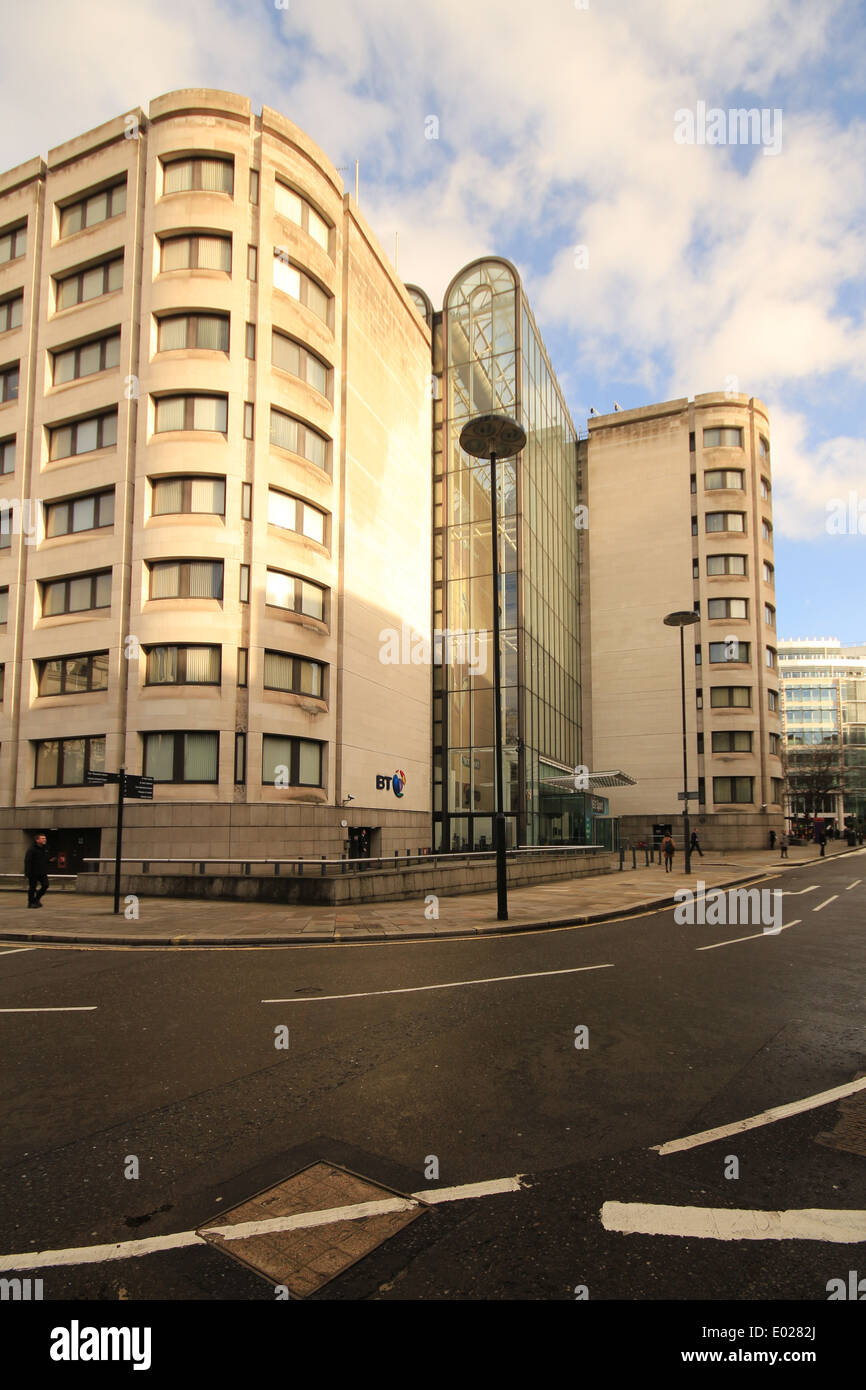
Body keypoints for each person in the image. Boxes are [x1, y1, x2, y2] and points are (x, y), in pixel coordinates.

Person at [24, 833, 50, 908]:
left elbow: (45, 859)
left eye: (45, 838)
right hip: (33, 872)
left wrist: (50, 860)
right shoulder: (32, 849)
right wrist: (27, 872)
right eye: (42, 838)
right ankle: (31, 902)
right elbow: (27, 861)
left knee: (45, 885)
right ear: (37, 840)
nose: (44, 840)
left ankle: (36, 899)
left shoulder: (45, 848)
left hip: (42, 871)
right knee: (32, 887)